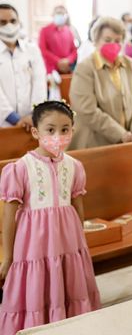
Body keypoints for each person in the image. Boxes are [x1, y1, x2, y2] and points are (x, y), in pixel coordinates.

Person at [0, 101, 101, 334]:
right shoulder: (20, 169)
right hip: (34, 247)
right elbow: (8, 214)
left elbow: (77, 207)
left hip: (68, 244)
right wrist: (8, 257)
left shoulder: (74, 166)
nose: (58, 136)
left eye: (65, 129)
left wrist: (81, 245)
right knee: (38, 292)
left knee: (69, 290)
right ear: (36, 132)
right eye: (51, 129)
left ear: (72, 130)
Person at [69, 16, 132, 149]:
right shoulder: (84, 68)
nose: (113, 45)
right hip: (95, 143)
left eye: (118, 40)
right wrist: (120, 134)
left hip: (127, 140)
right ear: (96, 41)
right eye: (107, 40)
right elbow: (87, 110)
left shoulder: (129, 64)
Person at [0, 4, 47, 129]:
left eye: (13, 21)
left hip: (31, 123)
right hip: (4, 123)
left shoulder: (32, 49)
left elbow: (39, 84)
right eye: (3, 22)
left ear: (19, 22)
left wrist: (34, 114)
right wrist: (15, 119)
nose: (9, 26)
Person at [38, 5, 77, 74]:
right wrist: (58, 61)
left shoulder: (69, 31)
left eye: (62, 14)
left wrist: (68, 60)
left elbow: (74, 50)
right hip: (51, 70)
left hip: (67, 69)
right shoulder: (44, 31)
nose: (60, 15)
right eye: (58, 13)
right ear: (53, 15)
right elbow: (43, 50)